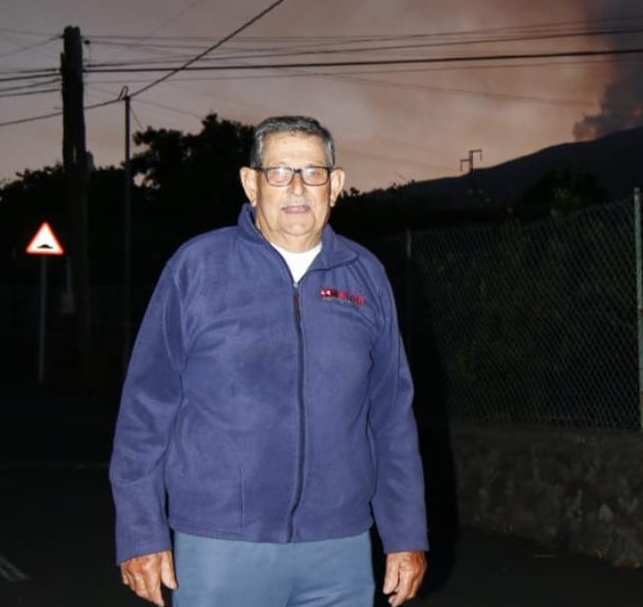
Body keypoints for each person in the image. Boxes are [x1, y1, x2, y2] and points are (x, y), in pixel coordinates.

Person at [110, 116, 427, 607]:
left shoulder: (366, 277)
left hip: (338, 548)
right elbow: (145, 411)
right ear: (250, 182)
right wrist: (140, 533)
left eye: (313, 172)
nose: (297, 187)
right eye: (279, 171)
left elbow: (390, 417)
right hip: (220, 545)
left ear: (336, 184)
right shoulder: (196, 268)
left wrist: (406, 534)